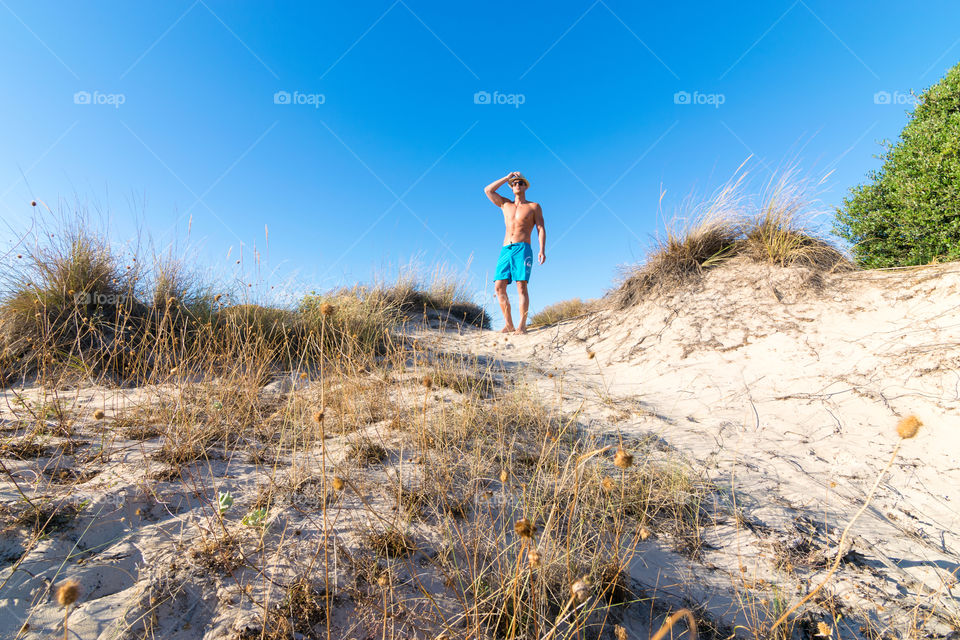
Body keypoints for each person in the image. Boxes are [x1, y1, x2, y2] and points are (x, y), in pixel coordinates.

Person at [483, 171, 546, 334]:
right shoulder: (505, 204)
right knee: (498, 287)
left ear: (526, 186)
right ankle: (509, 324)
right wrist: (506, 177)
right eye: (514, 183)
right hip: (506, 249)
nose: (517, 184)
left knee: (521, 287)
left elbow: (540, 228)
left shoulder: (534, 206)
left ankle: (522, 325)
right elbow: (488, 190)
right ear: (511, 187)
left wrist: (542, 250)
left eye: (520, 183)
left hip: (522, 248)